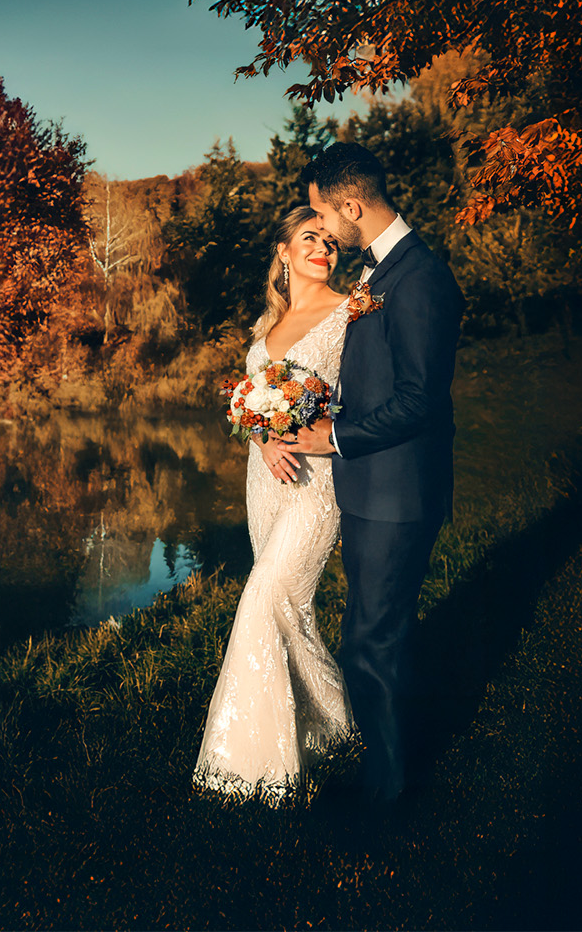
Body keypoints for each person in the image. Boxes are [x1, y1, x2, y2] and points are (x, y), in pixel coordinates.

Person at [282, 141, 465, 805]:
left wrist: (337, 437)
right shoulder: (380, 274)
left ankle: (386, 800)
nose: (325, 230)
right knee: (370, 634)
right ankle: (382, 769)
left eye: (325, 217)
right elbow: (376, 375)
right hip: (370, 491)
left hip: (396, 495)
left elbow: (419, 398)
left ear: (352, 206)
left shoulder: (418, 279)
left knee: (373, 645)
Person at [192, 206, 358, 804]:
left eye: (331, 242)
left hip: (316, 481)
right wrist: (261, 440)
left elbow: (364, 403)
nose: (323, 248)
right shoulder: (267, 327)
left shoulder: (349, 315)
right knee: (292, 610)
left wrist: (320, 436)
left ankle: (250, 770)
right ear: (284, 253)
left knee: (266, 597)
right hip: (265, 480)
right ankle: (332, 732)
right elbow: (247, 407)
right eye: (309, 239)